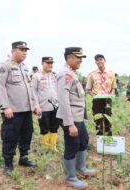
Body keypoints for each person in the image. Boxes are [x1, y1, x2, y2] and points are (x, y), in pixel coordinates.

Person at [0, 41, 40, 176]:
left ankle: (23, 158)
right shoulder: (4, 66)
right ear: (14, 50)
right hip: (12, 110)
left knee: (27, 134)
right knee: (10, 136)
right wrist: (6, 106)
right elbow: (1, 87)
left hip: (26, 109)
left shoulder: (24, 67)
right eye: (22, 50)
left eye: (26, 50)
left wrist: (35, 104)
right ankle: (8, 163)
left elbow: (30, 87)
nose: (25, 53)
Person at [56, 47, 96, 189]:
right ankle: (71, 177)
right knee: (72, 146)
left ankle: (81, 168)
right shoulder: (65, 74)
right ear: (69, 58)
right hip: (70, 117)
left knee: (83, 141)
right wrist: (70, 123)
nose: (80, 60)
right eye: (77, 57)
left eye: (81, 58)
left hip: (78, 117)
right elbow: (63, 100)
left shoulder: (72, 73)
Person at [86, 54, 117, 136]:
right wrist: (94, 96)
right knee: (98, 121)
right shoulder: (92, 74)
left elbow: (113, 88)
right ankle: (100, 142)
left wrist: (110, 95)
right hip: (97, 100)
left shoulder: (111, 73)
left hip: (107, 100)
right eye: (97, 60)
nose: (99, 61)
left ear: (104, 61)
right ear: (95, 62)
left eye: (101, 59)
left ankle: (108, 142)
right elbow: (89, 89)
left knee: (108, 120)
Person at [32, 57, 59, 151]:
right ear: (42, 63)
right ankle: (45, 148)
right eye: (48, 63)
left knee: (54, 127)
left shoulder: (54, 75)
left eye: (51, 63)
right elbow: (33, 92)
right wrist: (36, 105)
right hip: (43, 107)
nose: (50, 65)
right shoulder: (36, 76)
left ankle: (53, 146)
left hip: (55, 106)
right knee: (44, 127)